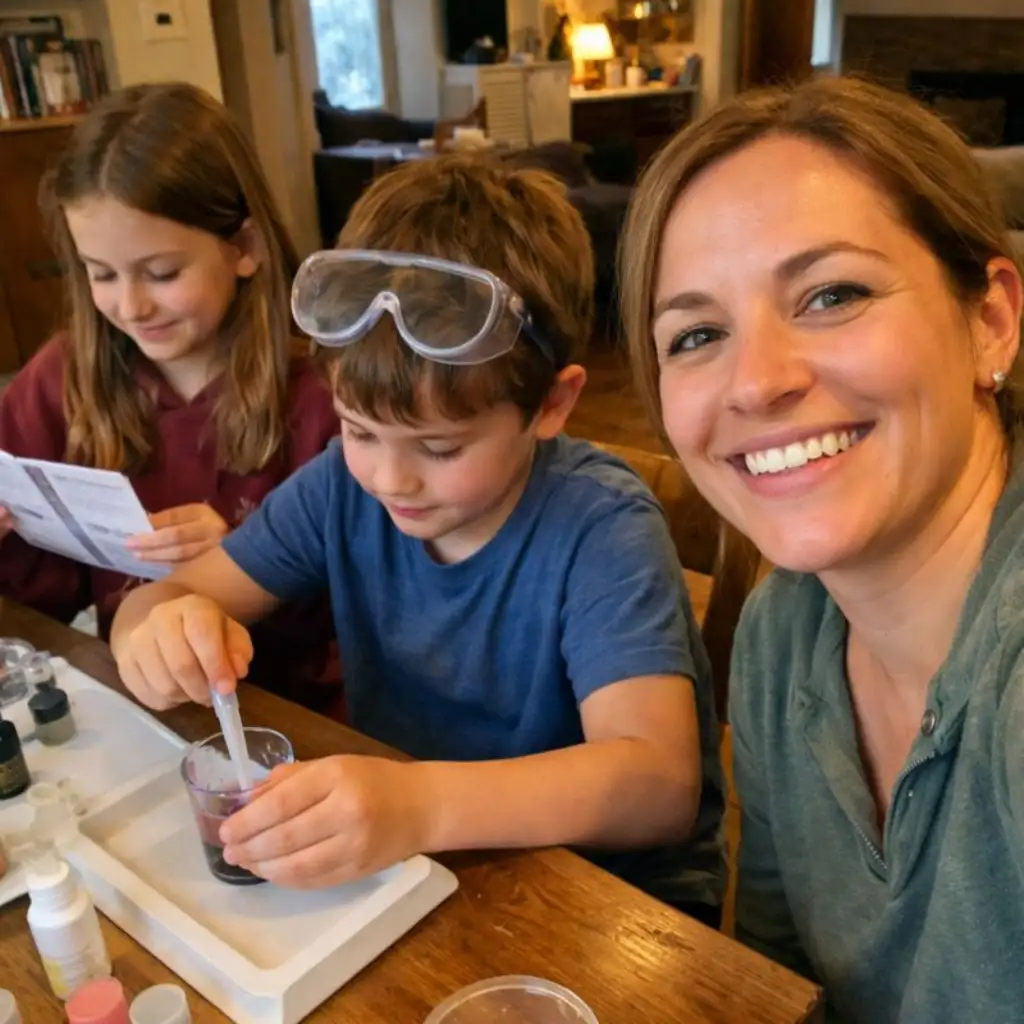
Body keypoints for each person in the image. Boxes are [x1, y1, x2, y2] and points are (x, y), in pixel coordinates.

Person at [110, 153, 725, 921]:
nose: (391, 478)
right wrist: (157, 626)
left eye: (440, 449)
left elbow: (659, 789)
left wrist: (420, 805)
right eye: (361, 429)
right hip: (419, 864)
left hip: (609, 901)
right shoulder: (342, 483)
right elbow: (175, 595)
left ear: (553, 405)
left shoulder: (601, 528)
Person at [620, 75, 1024, 1021]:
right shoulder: (780, 633)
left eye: (831, 294)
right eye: (698, 334)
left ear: (990, 319)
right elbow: (782, 988)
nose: (756, 383)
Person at [0, 83, 340, 709]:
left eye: (162, 274)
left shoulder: (325, 397)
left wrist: (253, 566)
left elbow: (382, 618)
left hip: (300, 721)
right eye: (100, 274)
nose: (129, 306)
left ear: (244, 249)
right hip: (139, 715)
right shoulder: (65, 376)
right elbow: (41, 602)